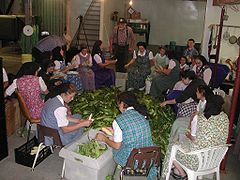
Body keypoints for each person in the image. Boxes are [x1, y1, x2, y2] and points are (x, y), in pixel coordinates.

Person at [161, 93, 228, 179]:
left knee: (172, 146)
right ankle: (179, 171)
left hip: (197, 161)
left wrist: (187, 135)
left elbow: (193, 138)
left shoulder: (200, 118)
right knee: (182, 144)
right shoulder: (224, 118)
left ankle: (182, 174)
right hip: (214, 158)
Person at [95, 91, 157, 180]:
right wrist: (114, 132)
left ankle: (123, 171)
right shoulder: (142, 114)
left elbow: (117, 146)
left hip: (132, 160)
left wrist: (104, 139)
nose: (118, 107)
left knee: (114, 149)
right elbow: (134, 132)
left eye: (118, 104)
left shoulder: (119, 120)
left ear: (123, 103)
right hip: (149, 156)